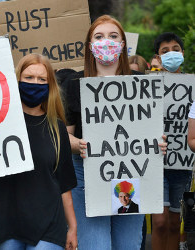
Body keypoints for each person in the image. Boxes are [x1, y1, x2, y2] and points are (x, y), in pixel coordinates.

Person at [63, 15, 167, 250]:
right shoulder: (75, 83)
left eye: (112, 36)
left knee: (128, 246)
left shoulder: (142, 83)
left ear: (122, 45)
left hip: (132, 177)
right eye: (99, 37)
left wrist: (159, 144)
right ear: (90, 46)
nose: (106, 41)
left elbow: (152, 133)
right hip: (88, 177)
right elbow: (66, 136)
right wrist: (79, 144)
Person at [0, 54, 78, 250]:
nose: (35, 83)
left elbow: (64, 183)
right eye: (29, 77)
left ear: (50, 84)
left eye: (42, 79)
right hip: (6, 221)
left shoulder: (57, 128)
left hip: (49, 223)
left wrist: (73, 227)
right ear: (16, 80)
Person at [151, 32, 192, 250]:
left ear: (183, 53)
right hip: (156, 163)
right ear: (157, 58)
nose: (171, 54)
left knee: (175, 223)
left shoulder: (193, 86)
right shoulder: (147, 86)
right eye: (165, 51)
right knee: (159, 223)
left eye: (175, 49)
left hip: (183, 165)